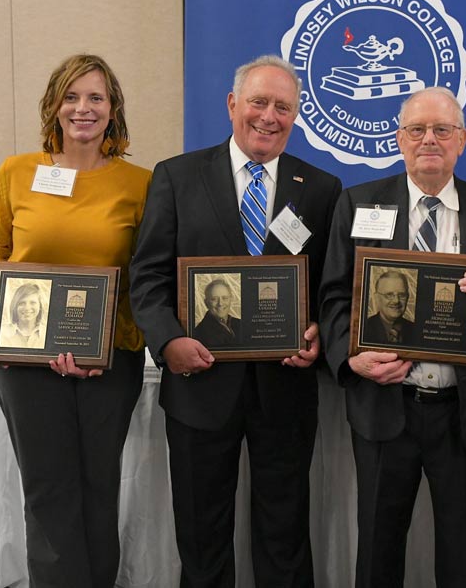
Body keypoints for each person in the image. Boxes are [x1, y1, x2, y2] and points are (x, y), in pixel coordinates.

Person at [129, 55, 342, 587]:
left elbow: (330, 287)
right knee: (201, 533)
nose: (269, 116)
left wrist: (317, 328)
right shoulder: (176, 177)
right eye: (258, 102)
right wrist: (169, 340)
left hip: (285, 388)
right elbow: (148, 277)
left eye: (283, 107)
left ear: (296, 116)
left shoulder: (321, 189)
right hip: (199, 385)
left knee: (285, 532)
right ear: (232, 105)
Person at [319, 86, 466, 588]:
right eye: (417, 129)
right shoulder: (357, 204)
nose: (429, 139)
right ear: (398, 139)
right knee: (377, 549)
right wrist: (353, 359)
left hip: (465, 410)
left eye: (442, 129)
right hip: (385, 404)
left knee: (464, 555)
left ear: (462, 139)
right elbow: (332, 299)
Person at [0, 53, 152, 587]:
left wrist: (104, 345)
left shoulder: (142, 184)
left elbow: (145, 277)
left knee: (98, 486)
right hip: (24, 360)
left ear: (113, 110)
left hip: (108, 361)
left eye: (95, 97)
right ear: (53, 105)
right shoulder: (17, 172)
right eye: (71, 96)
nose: (82, 108)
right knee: (47, 492)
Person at [362, 269, 416, 347]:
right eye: (389, 295)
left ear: (408, 297)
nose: (396, 301)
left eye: (401, 295)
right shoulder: (363, 330)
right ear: (376, 298)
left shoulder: (417, 331)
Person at [194, 278, 240, 350]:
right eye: (214, 299)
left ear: (231, 299)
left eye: (225, 298)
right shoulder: (199, 333)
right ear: (206, 303)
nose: (220, 303)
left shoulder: (240, 323)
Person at [0, 283, 47, 348]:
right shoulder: (2, 333)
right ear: (15, 306)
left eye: (33, 303)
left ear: (40, 306)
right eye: (22, 303)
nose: (27, 308)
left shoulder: (48, 334)